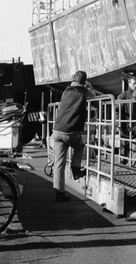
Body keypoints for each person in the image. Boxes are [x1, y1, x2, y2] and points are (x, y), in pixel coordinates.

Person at [50, 70, 91, 200]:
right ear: (84, 81)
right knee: (79, 147)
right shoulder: (84, 92)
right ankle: (76, 170)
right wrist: (89, 88)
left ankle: (59, 193)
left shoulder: (66, 91)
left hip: (57, 131)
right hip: (70, 131)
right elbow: (94, 98)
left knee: (59, 163)